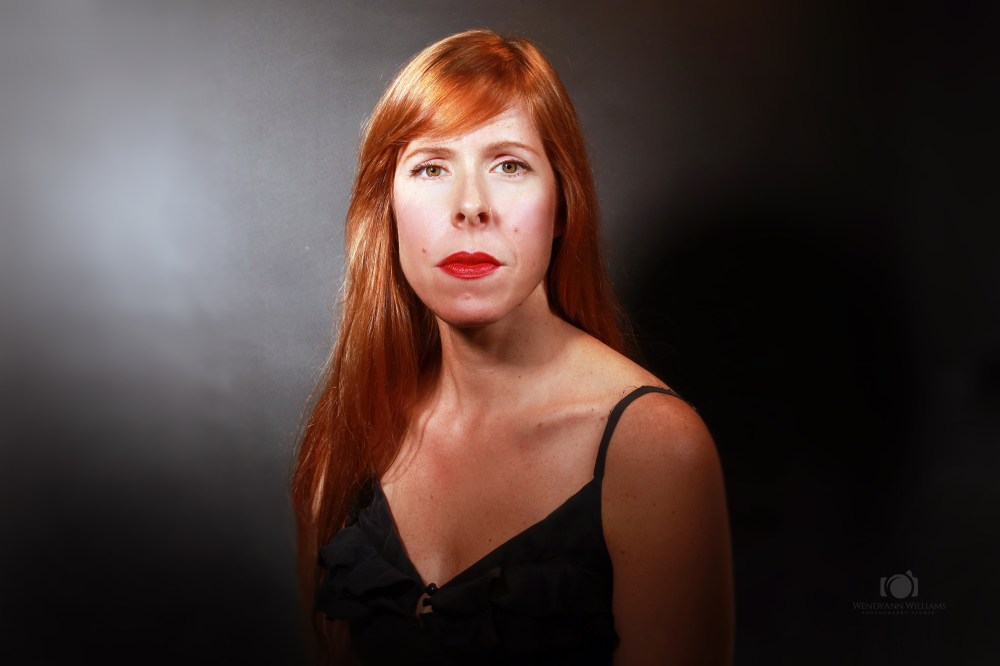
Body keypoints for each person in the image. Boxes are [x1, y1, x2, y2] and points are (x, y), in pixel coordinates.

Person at [292, 29, 733, 665]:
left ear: (563, 205)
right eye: (432, 168)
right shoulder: (348, 432)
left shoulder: (654, 450)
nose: (471, 206)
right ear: (385, 209)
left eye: (509, 165)